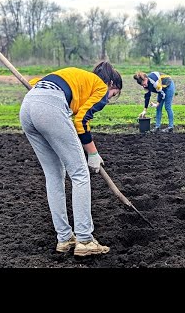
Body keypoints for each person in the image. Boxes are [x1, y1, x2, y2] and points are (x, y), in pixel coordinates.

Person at [19, 61, 122, 257]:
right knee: (80, 174)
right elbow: (81, 121)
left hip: (28, 108)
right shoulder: (100, 86)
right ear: (110, 84)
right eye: (113, 94)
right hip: (49, 108)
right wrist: (93, 154)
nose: (108, 100)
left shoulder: (79, 79)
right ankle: (84, 240)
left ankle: (64, 238)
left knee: (54, 175)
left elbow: (36, 84)